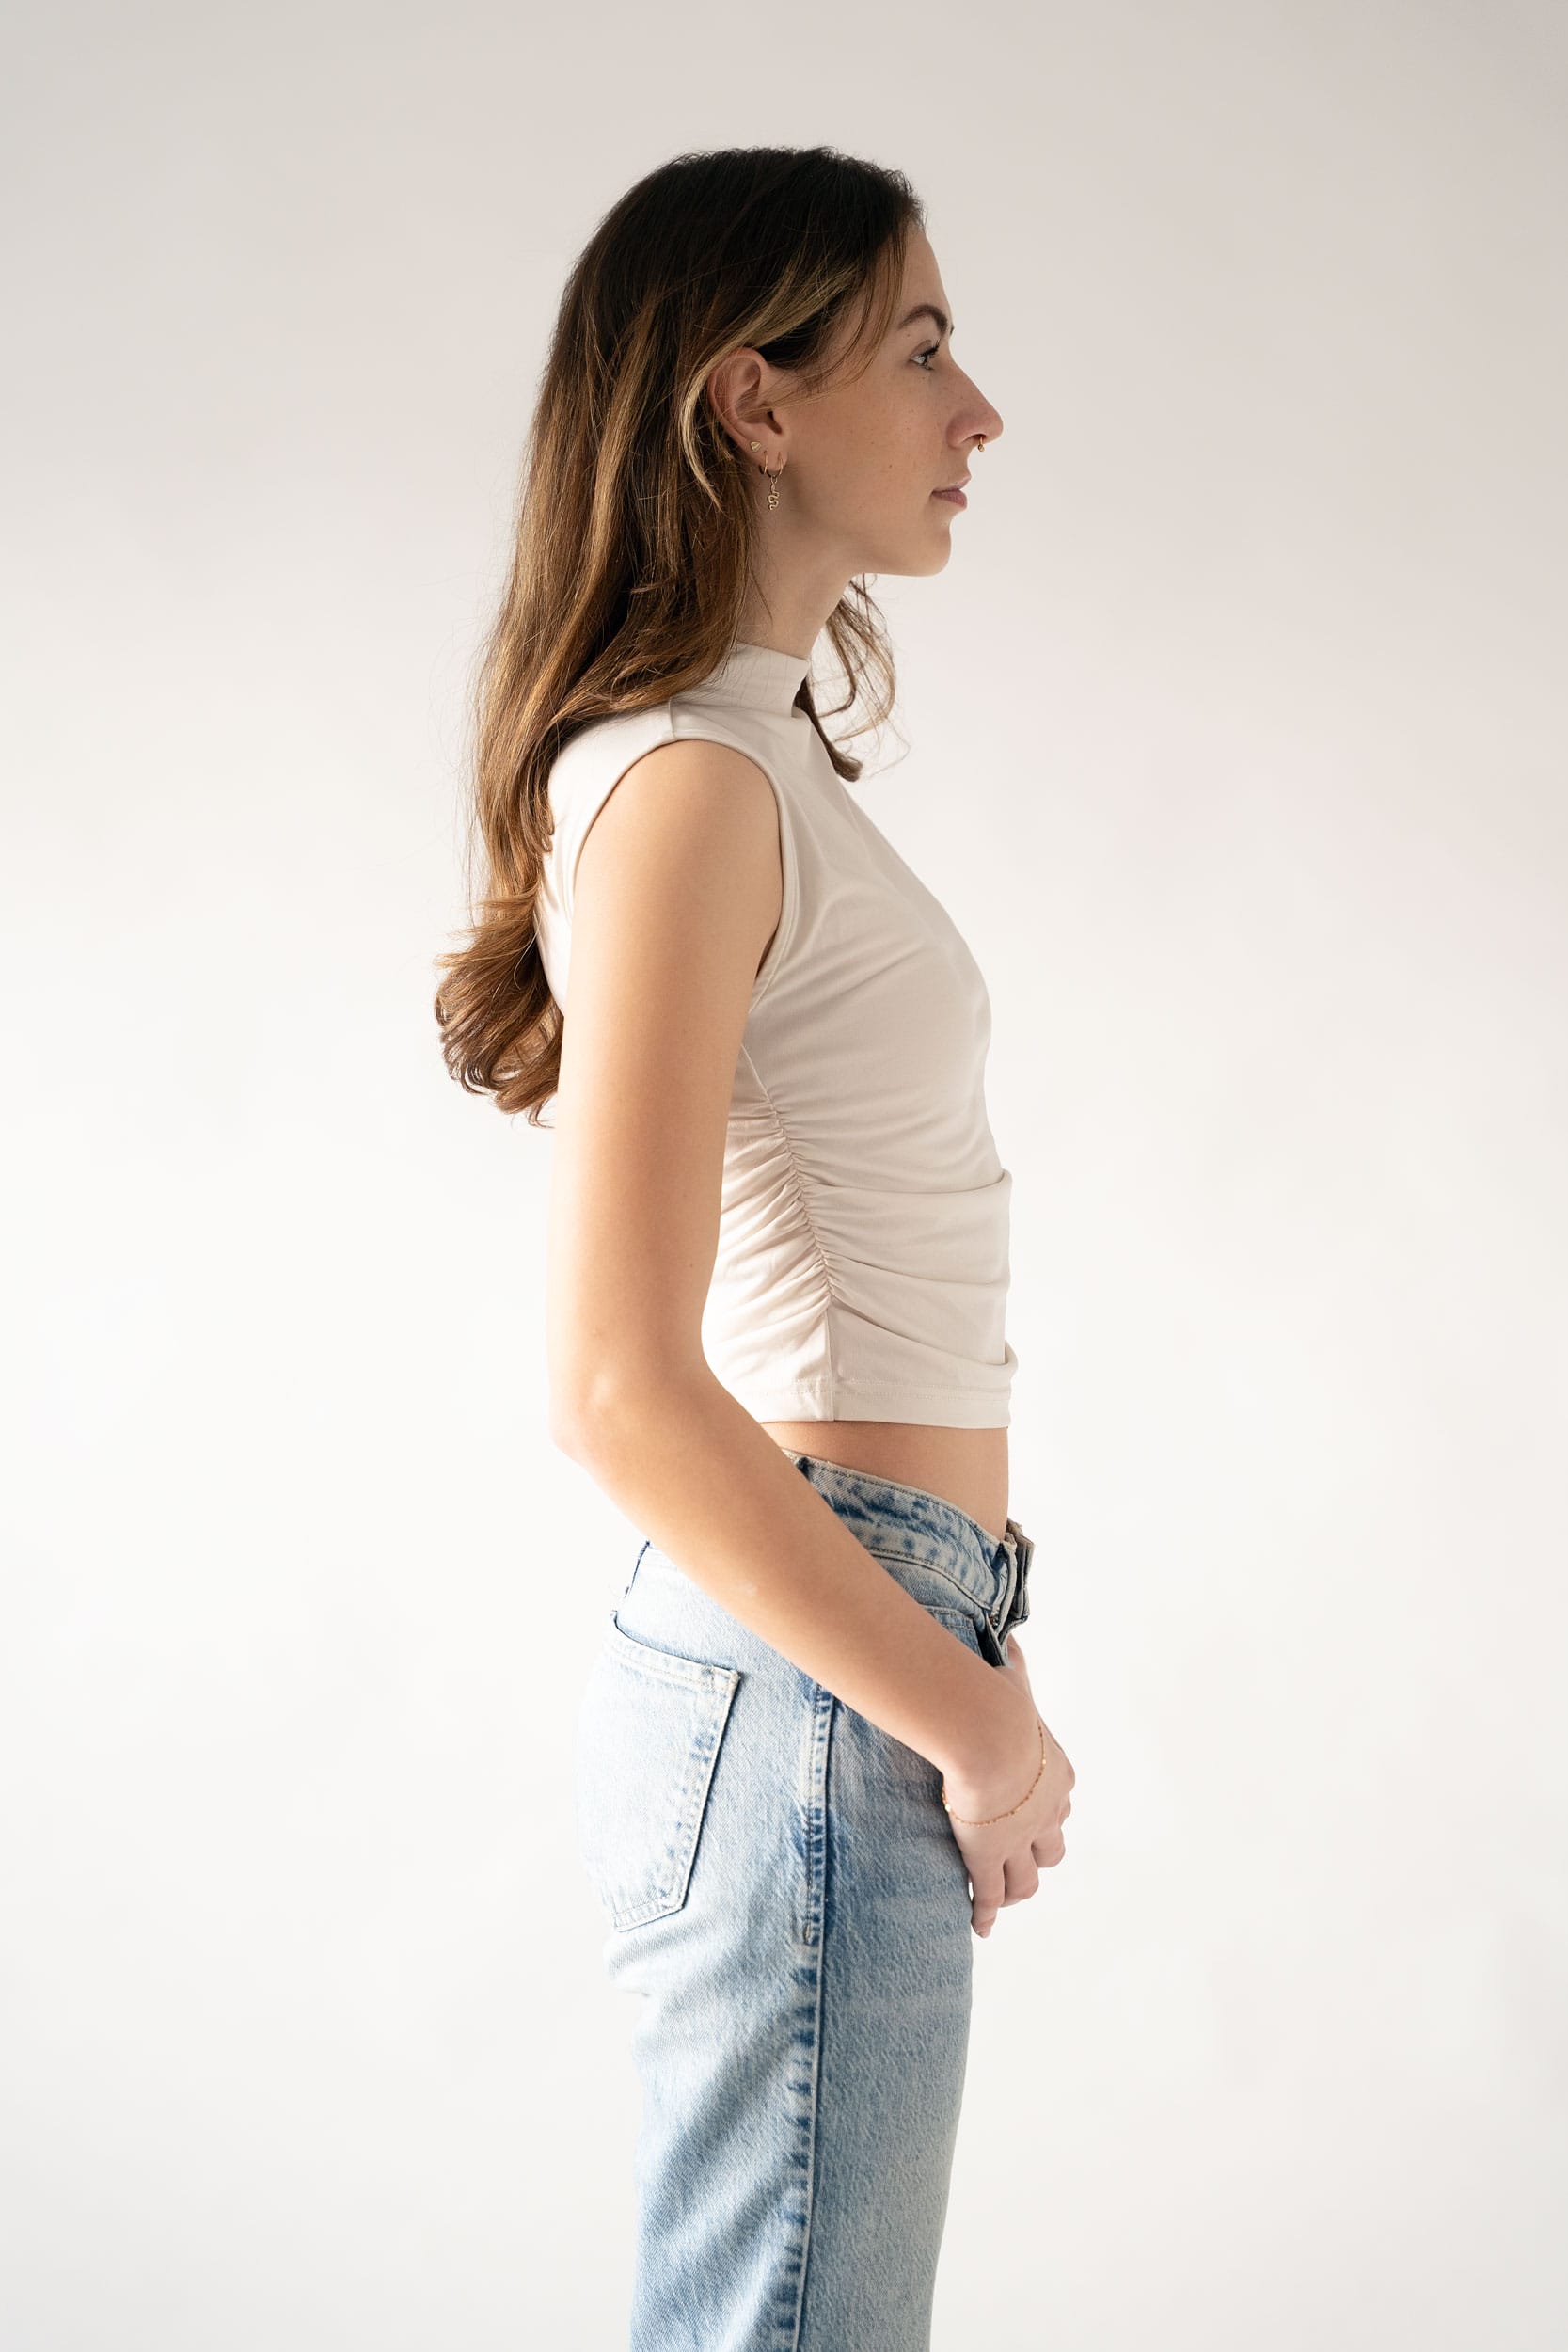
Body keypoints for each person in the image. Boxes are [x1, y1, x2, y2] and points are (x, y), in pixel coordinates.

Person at [436, 143, 1075, 2352]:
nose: (978, 409)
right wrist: (966, 1717)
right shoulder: (694, 781)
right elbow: (616, 1384)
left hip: (847, 1641)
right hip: (825, 1670)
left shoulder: (743, 761)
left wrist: (970, 1663)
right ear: (753, 400)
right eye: (922, 348)